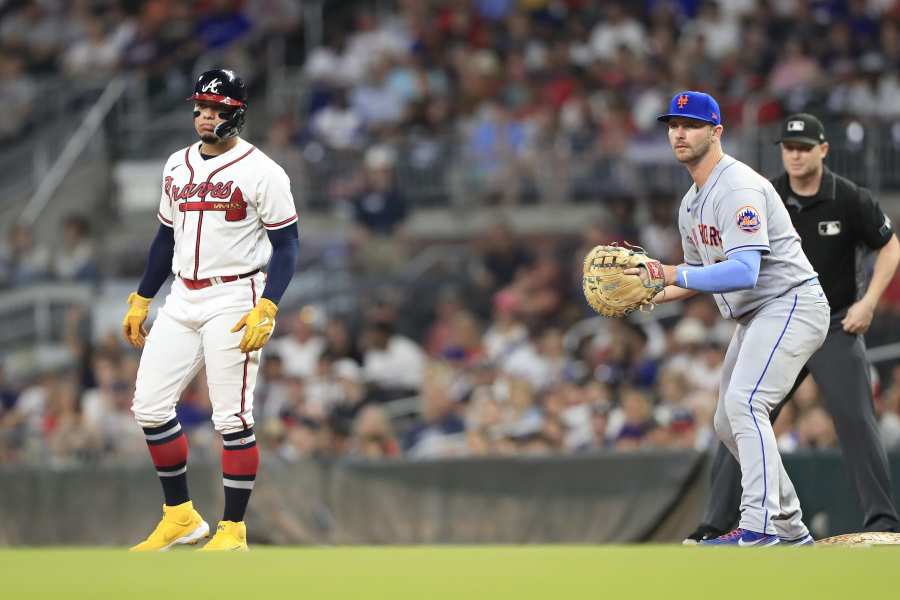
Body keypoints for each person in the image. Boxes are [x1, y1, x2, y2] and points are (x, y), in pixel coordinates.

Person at [684, 113, 900, 543]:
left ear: (823, 150)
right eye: (788, 147)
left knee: (856, 419)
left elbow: (890, 247)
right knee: (736, 416)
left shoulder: (848, 196)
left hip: (837, 322)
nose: (795, 154)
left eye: (804, 147)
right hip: (773, 315)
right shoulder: (768, 192)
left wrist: (869, 302)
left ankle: (882, 523)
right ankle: (718, 521)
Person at [636, 91, 830, 546]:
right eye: (673, 124)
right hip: (760, 312)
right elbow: (694, 277)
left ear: (716, 131)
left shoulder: (736, 186)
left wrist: (671, 271)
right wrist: (649, 293)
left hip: (790, 301)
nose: (679, 133)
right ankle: (787, 526)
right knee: (727, 421)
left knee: (746, 403)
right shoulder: (690, 203)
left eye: (691, 124)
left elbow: (745, 271)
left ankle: (760, 526)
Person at [122, 69, 300, 551]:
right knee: (149, 407)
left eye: (216, 109)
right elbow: (164, 236)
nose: (205, 116)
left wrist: (269, 303)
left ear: (236, 114)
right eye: (200, 107)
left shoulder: (263, 171)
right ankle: (180, 517)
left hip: (236, 295)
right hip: (182, 294)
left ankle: (233, 532)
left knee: (232, 419)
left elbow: (287, 245)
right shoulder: (176, 165)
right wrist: (143, 295)